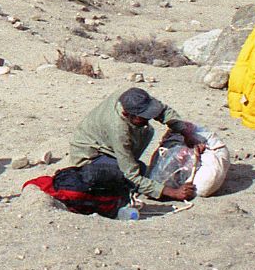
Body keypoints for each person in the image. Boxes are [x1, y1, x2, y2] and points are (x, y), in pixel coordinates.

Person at [64, 87, 198, 204]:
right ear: (126, 114)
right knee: (124, 176)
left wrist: (186, 132)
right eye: (142, 116)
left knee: (147, 133)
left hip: (109, 145)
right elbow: (131, 176)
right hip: (91, 156)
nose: (148, 119)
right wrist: (173, 193)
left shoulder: (133, 96)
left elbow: (162, 110)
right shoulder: (118, 130)